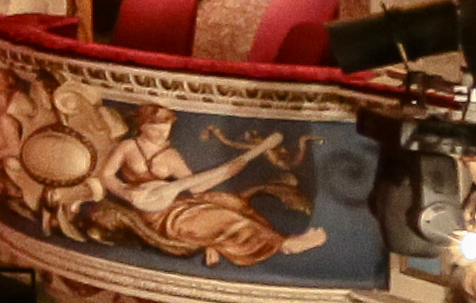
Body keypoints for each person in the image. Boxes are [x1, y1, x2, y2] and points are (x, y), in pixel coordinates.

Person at [97, 103, 321, 266]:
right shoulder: (128, 147)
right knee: (225, 219)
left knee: (230, 205)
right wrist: (125, 192)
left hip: (175, 205)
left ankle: (279, 242)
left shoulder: (171, 155)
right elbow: (107, 175)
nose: (163, 132)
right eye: (156, 127)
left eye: (167, 126)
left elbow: (195, 186)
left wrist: (235, 166)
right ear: (142, 125)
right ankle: (284, 244)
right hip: (157, 217)